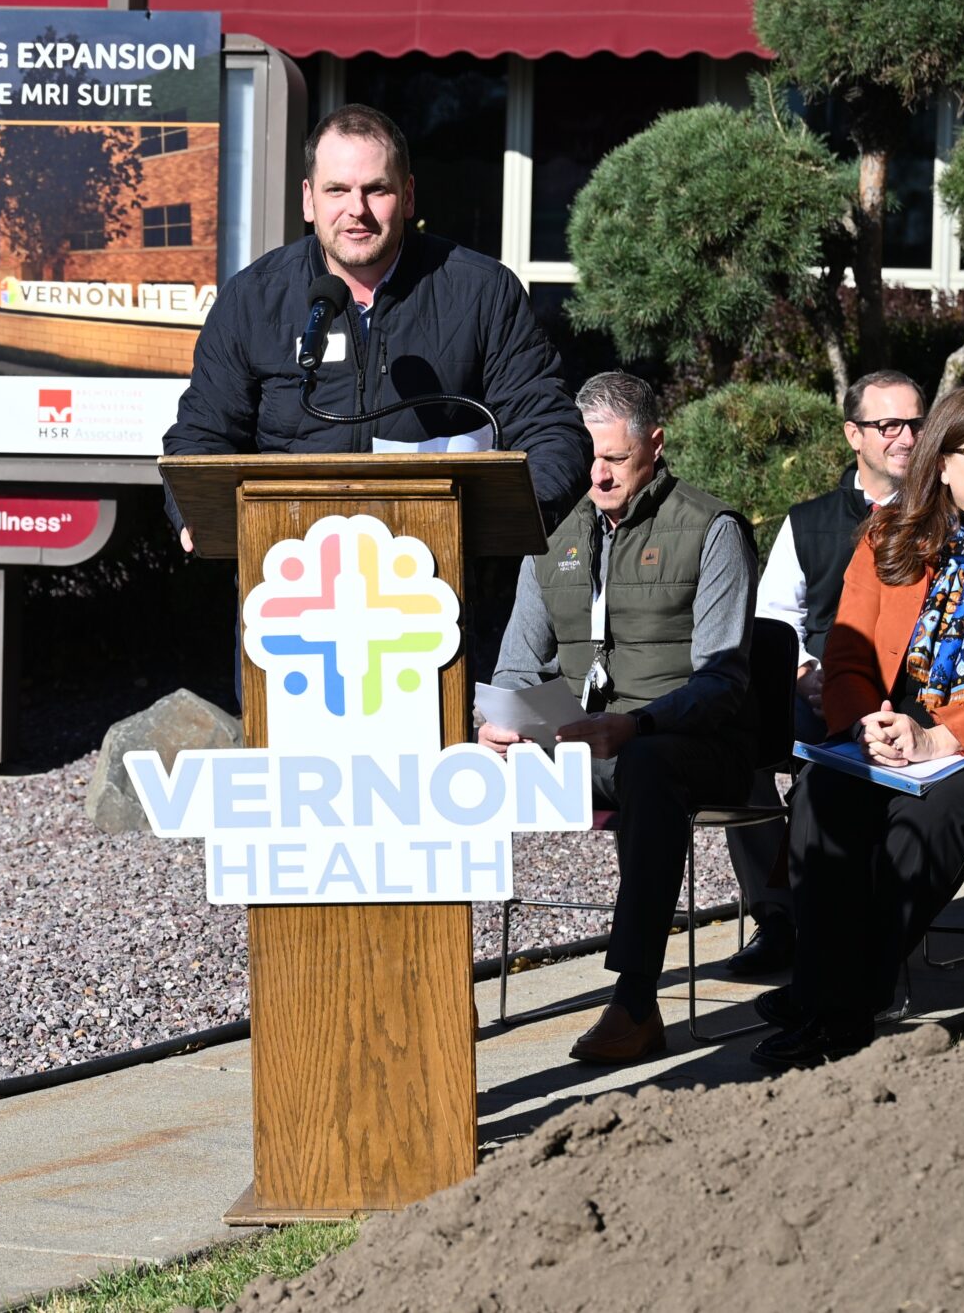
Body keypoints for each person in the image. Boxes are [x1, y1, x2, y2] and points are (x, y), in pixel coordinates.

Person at [751, 386, 964, 1071]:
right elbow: (847, 657)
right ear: (941, 463)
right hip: (890, 733)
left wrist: (942, 740)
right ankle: (825, 995)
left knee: (929, 816)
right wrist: (866, 725)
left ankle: (837, 1011)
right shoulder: (889, 538)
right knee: (821, 793)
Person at [480, 371, 757, 1064]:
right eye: (590, 458)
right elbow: (517, 664)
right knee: (460, 767)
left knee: (645, 765)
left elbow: (722, 679)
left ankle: (634, 1002)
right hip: (579, 745)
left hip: (686, 746)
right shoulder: (551, 536)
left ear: (655, 445)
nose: (598, 476)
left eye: (616, 458)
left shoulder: (712, 529)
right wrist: (500, 723)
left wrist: (639, 724)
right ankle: (437, 983)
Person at [162, 103, 590, 541]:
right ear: (309, 199)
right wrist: (196, 510)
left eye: (376, 190)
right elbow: (201, 434)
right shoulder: (251, 298)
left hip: (440, 566)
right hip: (285, 565)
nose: (357, 209)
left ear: (407, 196)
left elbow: (548, 427)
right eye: (337, 190)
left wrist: (518, 518)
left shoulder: (484, 293)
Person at [741, 367, 926, 977]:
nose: (906, 437)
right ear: (854, 435)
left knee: (835, 779)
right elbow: (774, 618)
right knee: (739, 755)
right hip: (816, 690)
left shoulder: (945, 517)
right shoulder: (809, 519)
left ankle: (849, 924)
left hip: (909, 699)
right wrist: (803, 672)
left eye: (916, 423)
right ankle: (778, 919)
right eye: (889, 425)